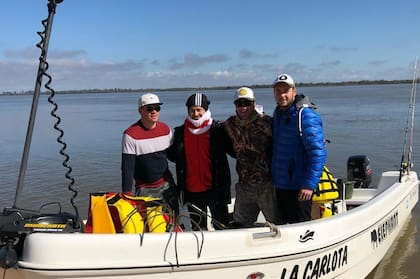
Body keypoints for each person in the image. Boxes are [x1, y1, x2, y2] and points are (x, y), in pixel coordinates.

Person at [167, 93, 231, 230]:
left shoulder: (218, 130)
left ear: (205, 110)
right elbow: (173, 156)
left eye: (199, 110)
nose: (195, 113)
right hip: (192, 191)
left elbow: (234, 150)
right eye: (192, 110)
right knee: (198, 229)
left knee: (222, 226)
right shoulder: (179, 132)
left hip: (216, 189)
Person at [271, 74, 327, 224]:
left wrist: (309, 185)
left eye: (285, 90)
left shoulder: (306, 116)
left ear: (293, 91)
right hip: (282, 184)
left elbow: (318, 154)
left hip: (300, 187)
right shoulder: (278, 113)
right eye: (278, 91)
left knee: (301, 230)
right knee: (282, 229)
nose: (282, 95)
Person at [224, 87, 279, 227]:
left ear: (254, 103)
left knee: (277, 224)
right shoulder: (230, 124)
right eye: (239, 104)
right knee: (239, 225)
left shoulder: (268, 123)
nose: (243, 108)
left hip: (268, 185)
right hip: (244, 185)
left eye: (247, 103)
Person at [121, 93, 178, 211]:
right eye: (149, 108)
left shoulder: (166, 130)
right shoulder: (131, 135)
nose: (154, 112)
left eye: (157, 108)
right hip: (144, 188)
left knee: (173, 223)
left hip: (167, 185)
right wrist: (127, 194)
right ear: (140, 110)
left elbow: (174, 157)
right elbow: (127, 168)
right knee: (149, 226)